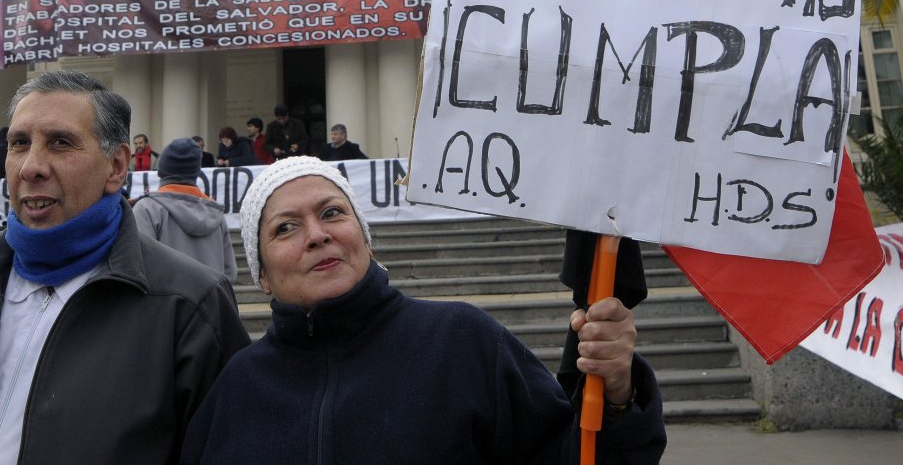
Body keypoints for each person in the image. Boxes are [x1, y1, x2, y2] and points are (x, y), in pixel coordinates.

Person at [181, 158, 665, 465]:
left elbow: (570, 457)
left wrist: (618, 392)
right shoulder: (237, 387)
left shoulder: (462, 341)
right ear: (262, 275)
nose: (316, 234)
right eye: (286, 228)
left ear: (365, 238)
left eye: (332, 213)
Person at [0, 71, 250, 465]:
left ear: (116, 166)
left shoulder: (190, 306)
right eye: (19, 143)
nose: (31, 167)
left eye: (60, 143)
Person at [133, 137, 237, 284]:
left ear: (161, 171)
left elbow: (139, 268)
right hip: (212, 304)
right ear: (196, 172)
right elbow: (230, 273)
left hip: (167, 305)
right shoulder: (216, 214)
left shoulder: (147, 209)